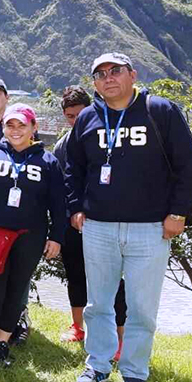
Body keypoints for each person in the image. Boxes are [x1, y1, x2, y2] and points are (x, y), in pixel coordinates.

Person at [68, 53, 192, 382]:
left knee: (142, 307)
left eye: (115, 71)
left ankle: (135, 372)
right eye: (100, 74)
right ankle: (97, 365)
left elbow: (189, 165)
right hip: (98, 227)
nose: (108, 78)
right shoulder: (87, 118)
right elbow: (74, 170)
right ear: (94, 83)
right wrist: (76, 208)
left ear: (132, 75)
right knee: (99, 303)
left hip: (150, 228)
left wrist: (179, 212)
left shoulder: (160, 111)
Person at [0, 103, 66, 367]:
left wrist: (56, 237)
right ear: (3, 127)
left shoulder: (48, 162)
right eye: (10, 125)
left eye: (22, 125)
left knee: (16, 291)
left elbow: (59, 204)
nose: (15, 130)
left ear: (33, 127)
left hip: (29, 236)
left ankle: (2, 341)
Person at [52, 85, 127, 348]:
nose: (76, 120)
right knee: (75, 273)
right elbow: (58, 187)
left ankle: (120, 338)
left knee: (112, 278)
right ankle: (77, 327)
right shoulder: (62, 145)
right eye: (70, 116)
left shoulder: (107, 138)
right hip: (72, 221)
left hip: (105, 220)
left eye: (80, 114)